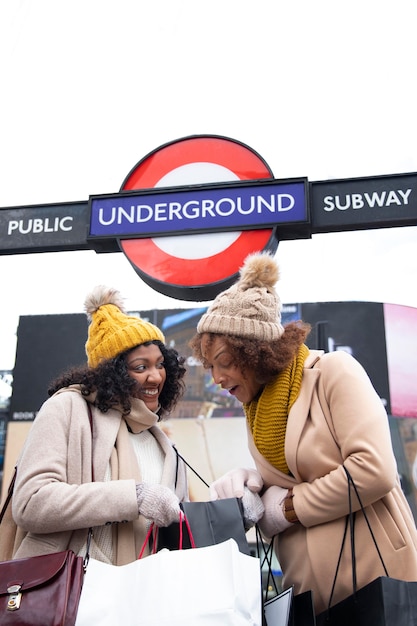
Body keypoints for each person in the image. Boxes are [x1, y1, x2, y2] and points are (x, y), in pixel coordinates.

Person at [189, 251, 417, 615]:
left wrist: (289, 508)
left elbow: (374, 470)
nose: (217, 380)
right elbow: (293, 475)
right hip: (306, 592)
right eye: (210, 367)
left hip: (375, 577)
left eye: (226, 363)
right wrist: (253, 483)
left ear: (256, 352)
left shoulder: (332, 371)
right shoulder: (256, 407)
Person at [10, 285, 188, 564]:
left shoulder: (164, 446)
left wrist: (235, 507)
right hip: (73, 597)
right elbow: (31, 502)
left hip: (145, 599)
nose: (155, 377)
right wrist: (134, 496)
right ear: (112, 373)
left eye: (160, 364)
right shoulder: (66, 408)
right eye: (141, 367)